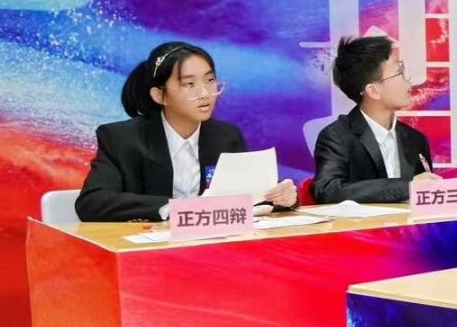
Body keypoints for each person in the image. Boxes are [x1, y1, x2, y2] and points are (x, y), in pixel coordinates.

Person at [76, 41, 295, 222]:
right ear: (159, 95)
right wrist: (175, 209)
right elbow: (92, 203)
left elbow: (250, 199)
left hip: (214, 248)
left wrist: (282, 199)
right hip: (147, 251)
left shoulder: (226, 136)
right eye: (189, 84)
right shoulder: (121, 138)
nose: (205, 93)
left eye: (210, 80)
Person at [312, 35, 438, 204]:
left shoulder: (415, 139)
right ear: (373, 91)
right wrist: (406, 187)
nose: (408, 81)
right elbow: (327, 190)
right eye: (399, 72)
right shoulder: (337, 137)